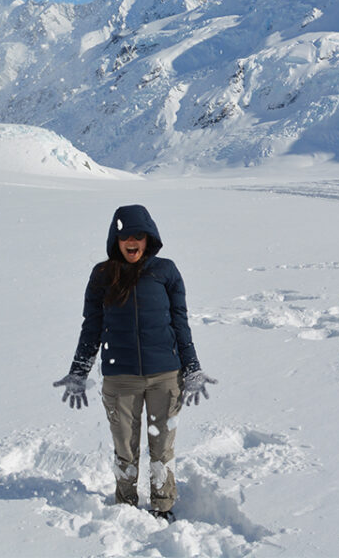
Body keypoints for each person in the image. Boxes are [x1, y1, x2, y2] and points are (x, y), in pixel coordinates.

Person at [54, 204, 217, 522]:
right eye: (125, 235)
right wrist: (79, 370)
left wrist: (192, 367)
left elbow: (180, 323)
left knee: (162, 448)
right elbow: (92, 326)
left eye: (138, 235)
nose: (132, 241)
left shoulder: (166, 271)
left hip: (165, 376)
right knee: (125, 448)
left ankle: (163, 506)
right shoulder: (103, 274)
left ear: (148, 239)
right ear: (115, 240)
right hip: (121, 378)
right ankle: (126, 505)